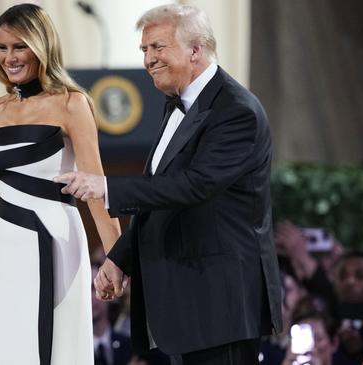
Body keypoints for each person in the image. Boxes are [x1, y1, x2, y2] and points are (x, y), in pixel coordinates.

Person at [55, 4, 282, 364]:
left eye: (158, 47)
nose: (148, 59)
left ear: (195, 50)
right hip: (187, 305)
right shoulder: (176, 103)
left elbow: (193, 187)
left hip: (221, 304)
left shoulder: (237, 111)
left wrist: (107, 187)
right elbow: (159, 195)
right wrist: (120, 259)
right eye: (145, 50)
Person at [0, 3, 121, 364]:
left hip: (56, 242)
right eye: (2, 47)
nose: (9, 57)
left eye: (19, 46)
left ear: (42, 46)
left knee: (58, 350)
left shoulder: (72, 104)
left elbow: (95, 190)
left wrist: (118, 258)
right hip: (8, 252)